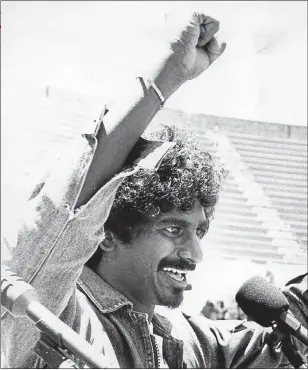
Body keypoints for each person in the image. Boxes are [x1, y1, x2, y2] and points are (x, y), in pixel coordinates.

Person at [1, 8, 307, 369]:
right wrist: (166, 78)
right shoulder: (55, 312)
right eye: (174, 229)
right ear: (105, 234)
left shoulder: (189, 341)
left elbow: (275, 340)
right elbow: (65, 214)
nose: (195, 253)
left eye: (200, 232)